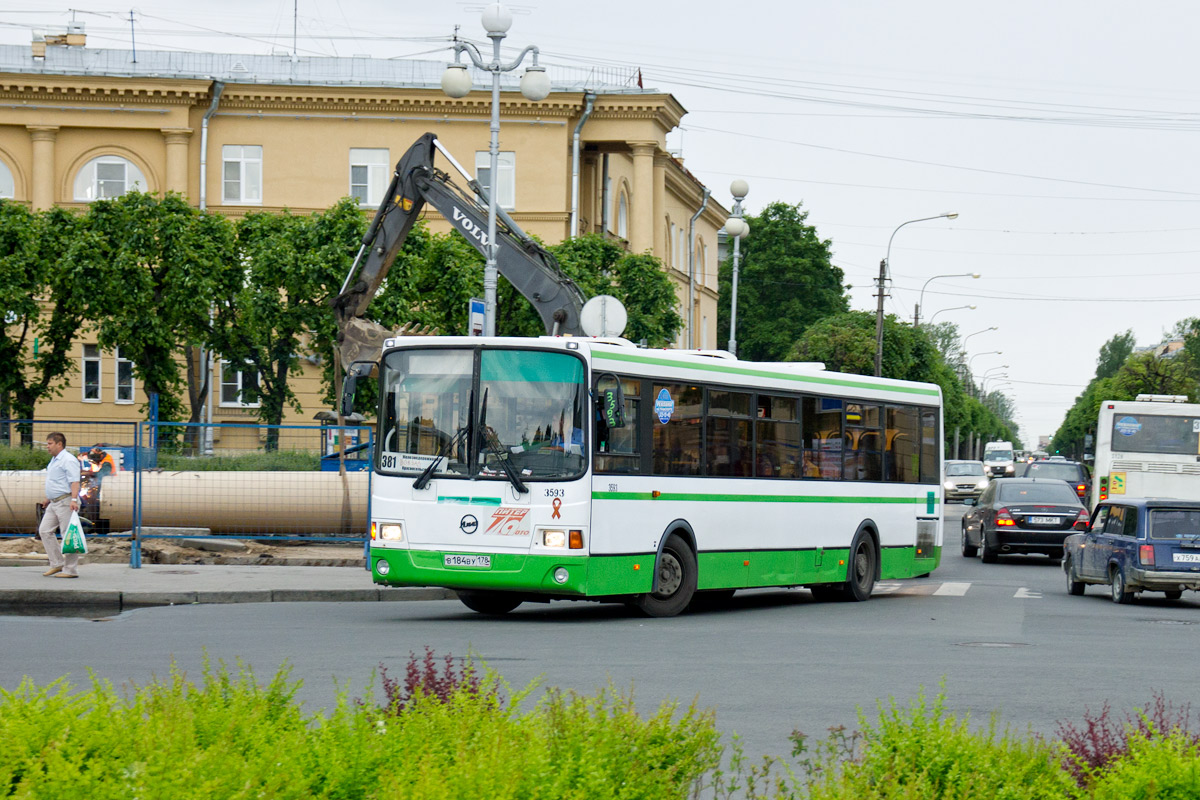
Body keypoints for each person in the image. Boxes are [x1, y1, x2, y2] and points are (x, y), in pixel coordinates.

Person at [39, 431, 82, 578]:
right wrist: (48, 498)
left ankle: (71, 570)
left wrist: (74, 500)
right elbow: (56, 482)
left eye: (50, 443)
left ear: (59, 444)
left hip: (66, 501)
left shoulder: (68, 460)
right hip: (54, 501)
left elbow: (74, 481)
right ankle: (57, 564)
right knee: (44, 531)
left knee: (68, 535)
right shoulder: (54, 460)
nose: (47, 446)